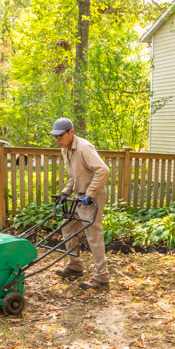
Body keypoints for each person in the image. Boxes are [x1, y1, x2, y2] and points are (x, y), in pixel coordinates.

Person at [50, 117, 110, 290]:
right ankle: (75, 266)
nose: (57, 139)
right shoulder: (65, 150)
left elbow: (103, 171)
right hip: (78, 196)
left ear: (71, 132)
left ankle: (102, 278)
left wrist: (90, 193)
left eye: (60, 136)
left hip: (92, 197)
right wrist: (65, 192)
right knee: (68, 228)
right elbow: (73, 177)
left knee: (94, 235)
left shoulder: (84, 148)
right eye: (55, 136)